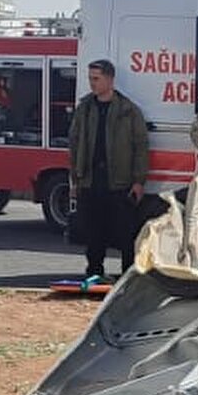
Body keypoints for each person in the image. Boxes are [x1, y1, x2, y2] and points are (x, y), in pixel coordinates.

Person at [67, 57, 149, 286]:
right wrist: (75, 179)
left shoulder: (128, 110)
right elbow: (74, 143)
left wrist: (139, 181)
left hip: (120, 183)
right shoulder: (84, 109)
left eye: (96, 78)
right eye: (90, 78)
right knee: (94, 234)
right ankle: (94, 273)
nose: (92, 83)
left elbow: (141, 146)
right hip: (91, 182)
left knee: (125, 234)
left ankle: (127, 278)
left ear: (110, 79)